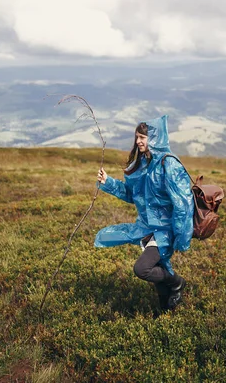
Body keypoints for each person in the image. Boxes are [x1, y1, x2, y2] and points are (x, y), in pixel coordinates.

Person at [95, 115, 194, 311]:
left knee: (142, 269)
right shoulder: (143, 165)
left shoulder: (169, 165)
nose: (138, 141)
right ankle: (164, 314)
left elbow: (183, 206)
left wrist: (181, 238)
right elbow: (132, 195)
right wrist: (109, 182)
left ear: (155, 138)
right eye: (137, 137)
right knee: (159, 273)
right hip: (147, 228)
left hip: (165, 231)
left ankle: (176, 282)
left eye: (143, 137)